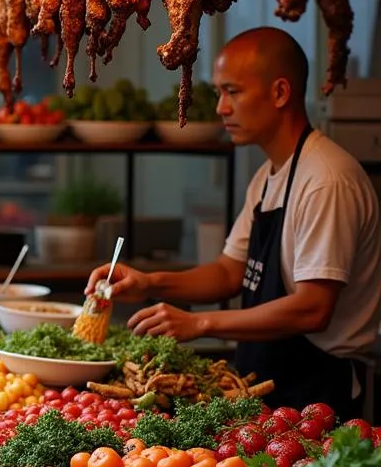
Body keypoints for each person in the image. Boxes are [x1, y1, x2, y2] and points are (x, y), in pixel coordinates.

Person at [88, 27, 381, 421]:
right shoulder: (268, 176)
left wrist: (200, 322)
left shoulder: (326, 179)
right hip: (268, 380)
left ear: (280, 93)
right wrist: (149, 282)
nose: (221, 108)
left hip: (320, 390)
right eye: (219, 93)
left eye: (233, 92)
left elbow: (313, 308)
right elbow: (229, 272)